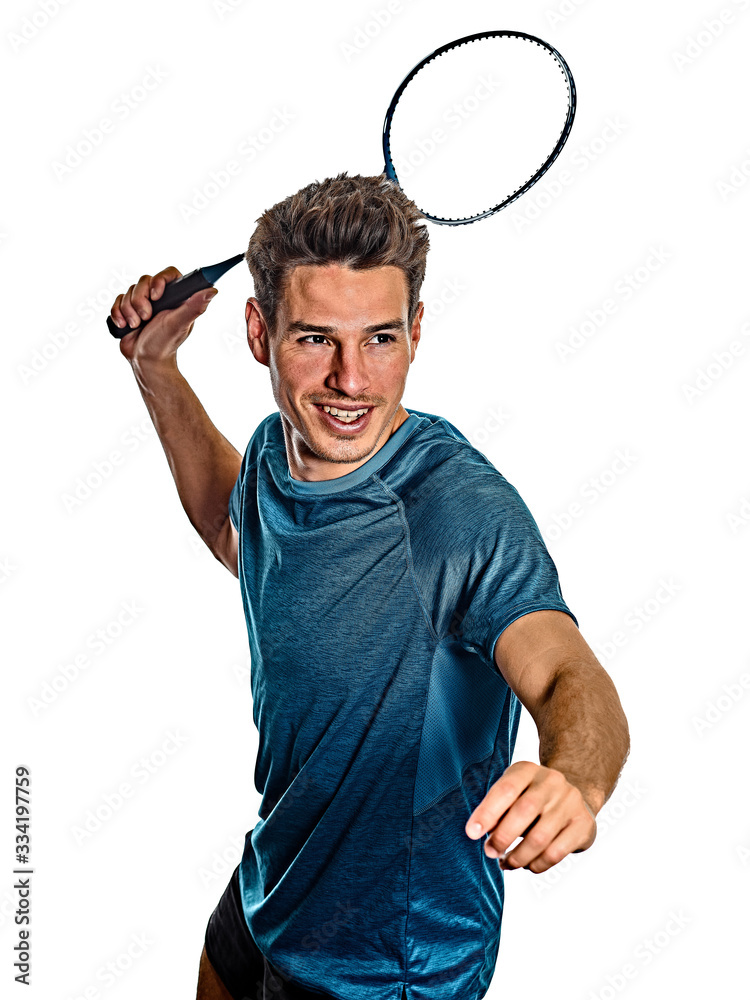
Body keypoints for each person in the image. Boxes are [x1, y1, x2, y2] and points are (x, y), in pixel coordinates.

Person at [110, 173, 630, 1000]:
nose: (352, 380)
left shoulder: (456, 512)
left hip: (386, 965)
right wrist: (156, 369)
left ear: (416, 332)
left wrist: (577, 778)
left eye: (380, 340)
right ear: (258, 331)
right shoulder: (276, 454)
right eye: (316, 339)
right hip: (273, 877)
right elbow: (230, 528)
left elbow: (570, 673)